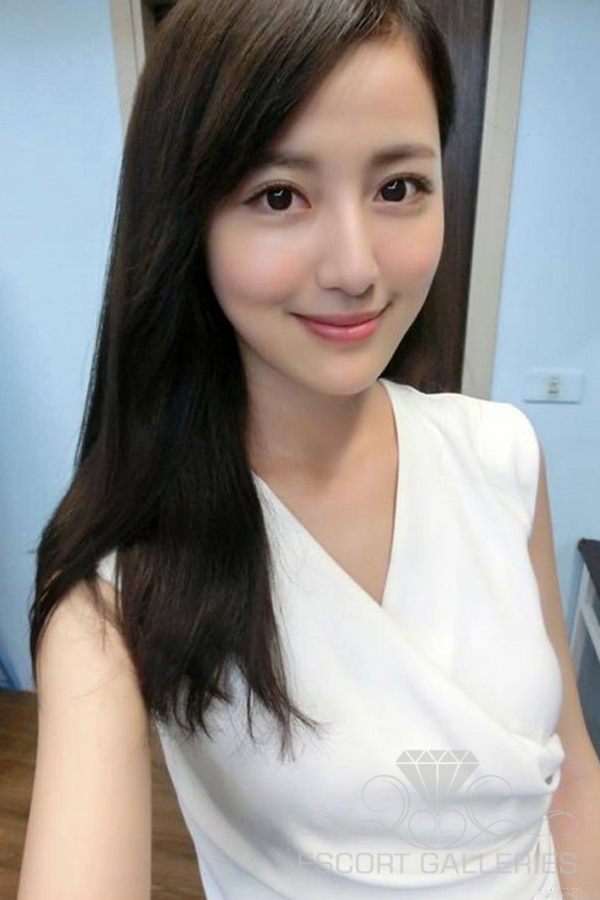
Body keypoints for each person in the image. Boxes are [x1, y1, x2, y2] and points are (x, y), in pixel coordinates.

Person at [17, 0, 600, 898]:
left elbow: (571, 767)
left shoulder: (502, 455)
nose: (355, 267)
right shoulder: (117, 582)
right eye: (279, 195)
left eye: (398, 187)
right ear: (186, 222)